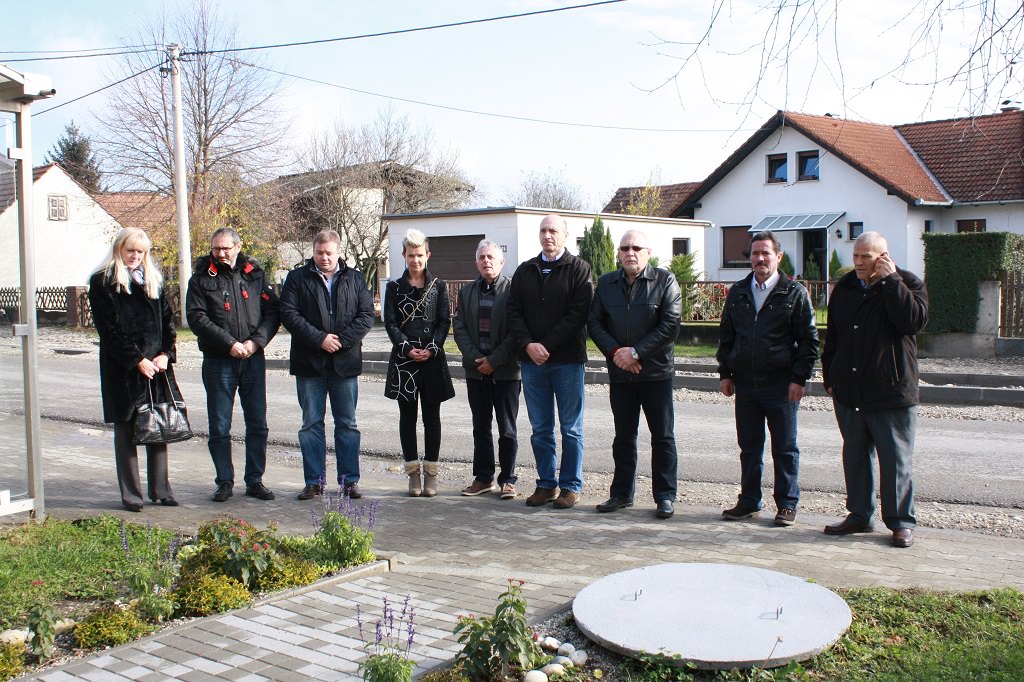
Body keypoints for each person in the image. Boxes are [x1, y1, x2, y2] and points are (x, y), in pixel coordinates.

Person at [822, 231, 928, 548]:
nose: (857, 262)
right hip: (850, 391)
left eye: (865, 257)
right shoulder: (846, 287)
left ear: (883, 257)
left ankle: (900, 522)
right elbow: (833, 336)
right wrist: (830, 376)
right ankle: (859, 515)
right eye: (855, 256)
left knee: (895, 461)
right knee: (855, 455)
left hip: (891, 391)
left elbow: (912, 322)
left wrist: (891, 281)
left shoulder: (908, 283)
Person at [716, 231, 819, 526]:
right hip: (746, 385)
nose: (760, 259)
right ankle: (749, 501)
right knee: (749, 448)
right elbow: (727, 336)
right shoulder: (738, 292)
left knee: (785, 448)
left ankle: (787, 504)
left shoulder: (794, 293)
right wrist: (725, 373)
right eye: (755, 253)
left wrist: (799, 379)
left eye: (766, 253)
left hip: (781, 385)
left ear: (778, 257)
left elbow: (809, 342)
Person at [588, 230, 682, 519]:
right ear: (618, 253)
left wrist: (637, 353)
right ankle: (621, 494)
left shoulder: (665, 281)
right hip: (621, 374)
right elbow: (594, 323)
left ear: (648, 252)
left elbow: (670, 325)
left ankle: (665, 496)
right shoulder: (606, 284)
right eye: (625, 248)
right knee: (624, 437)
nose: (630, 252)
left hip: (656, 374)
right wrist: (618, 353)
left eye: (636, 248)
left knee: (662, 437)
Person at [279, 230, 374, 501]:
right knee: (311, 424)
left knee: (347, 424)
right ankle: (314, 482)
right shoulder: (297, 278)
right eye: (319, 252)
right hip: (310, 363)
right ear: (313, 252)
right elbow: (288, 314)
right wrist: (319, 339)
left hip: (345, 364)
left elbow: (366, 315)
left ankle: (349, 481)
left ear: (338, 252)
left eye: (329, 253)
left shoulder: (355, 278)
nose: (324, 257)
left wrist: (340, 341)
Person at [186, 227, 280, 503]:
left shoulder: (255, 275)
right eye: (216, 249)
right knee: (219, 426)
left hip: (252, 359)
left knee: (257, 423)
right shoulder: (201, 278)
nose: (221, 253)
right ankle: (224, 482)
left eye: (226, 248)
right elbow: (197, 318)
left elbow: (273, 312)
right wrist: (229, 343)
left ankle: (255, 480)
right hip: (219, 360)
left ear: (237, 247)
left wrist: (256, 342)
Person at [88, 227, 178, 512]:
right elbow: (109, 330)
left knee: (158, 426)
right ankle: (131, 495)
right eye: (130, 250)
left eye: (140, 251)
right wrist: (138, 360)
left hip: (157, 368)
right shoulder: (103, 281)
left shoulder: (153, 280)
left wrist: (166, 354)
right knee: (126, 431)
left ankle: (161, 490)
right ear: (119, 249)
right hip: (124, 370)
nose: (135, 256)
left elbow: (168, 322)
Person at [507, 214, 593, 509]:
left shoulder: (579, 269)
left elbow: (578, 315)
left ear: (565, 235)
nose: (548, 235)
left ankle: (570, 486)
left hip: (567, 361)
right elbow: (513, 312)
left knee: (571, 428)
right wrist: (528, 345)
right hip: (533, 363)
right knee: (541, 428)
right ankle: (546, 484)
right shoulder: (525, 271)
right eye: (543, 230)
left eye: (553, 230)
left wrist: (546, 345)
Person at [384, 229, 456, 497]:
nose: (415, 260)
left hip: (432, 359)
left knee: (432, 419)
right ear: (404, 255)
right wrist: (406, 348)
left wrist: (433, 347)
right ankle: (413, 475)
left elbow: (444, 321)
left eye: (420, 255)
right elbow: (391, 323)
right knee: (407, 419)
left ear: (428, 255)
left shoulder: (438, 286)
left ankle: (431, 475)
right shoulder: (394, 288)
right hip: (405, 361)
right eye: (411, 255)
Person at [453, 239, 522, 500]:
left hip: (506, 372)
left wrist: (495, 360)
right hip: (476, 372)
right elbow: (459, 328)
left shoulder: (513, 291)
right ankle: (483, 478)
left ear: (501, 262)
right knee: (480, 426)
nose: (486, 261)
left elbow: (517, 332)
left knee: (507, 429)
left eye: (491, 257)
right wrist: (476, 358)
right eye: (482, 258)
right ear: (476, 263)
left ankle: (508, 480)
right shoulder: (467, 292)